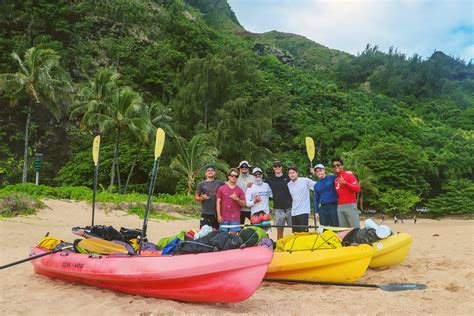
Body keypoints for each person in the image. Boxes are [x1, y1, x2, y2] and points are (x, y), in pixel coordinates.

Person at [332, 158, 361, 228]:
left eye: (338, 165)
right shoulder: (335, 179)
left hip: (350, 205)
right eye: (334, 166)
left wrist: (345, 183)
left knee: (355, 228)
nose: (336, 167)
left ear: (342, 166)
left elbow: (358, 189)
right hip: (339, 207)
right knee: (344, 230)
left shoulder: (349, 176)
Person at [267, 160, 292, 239]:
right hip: (278, 209)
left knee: (295, 229)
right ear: (273, 168)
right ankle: (280, 248)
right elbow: (261, 186)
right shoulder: (270, 180)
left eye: (279, 166)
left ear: (281, 167)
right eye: (275, 166)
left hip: (290, 207)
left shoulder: (288, 177)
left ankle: (295, 248)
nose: (277, 168)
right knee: (279, 231)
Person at [194, 164, 224, 229]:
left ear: (214, 172)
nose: (210, 171)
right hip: (205, 212)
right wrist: (202, 198)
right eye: (208, 170)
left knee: (216, 233)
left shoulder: (220, 183)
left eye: (212, 170)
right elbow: (196, 197)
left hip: (217, 213)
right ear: (205, 173)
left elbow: (229, 186)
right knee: (204, 232)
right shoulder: (201, 184)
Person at [216, 168, 246, 234]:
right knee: (223, 237)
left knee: (233, 239)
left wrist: (237, 199)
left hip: (235, 218)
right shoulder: (221, 188)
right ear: (229, 176)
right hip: (223, 218)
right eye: (232, 175)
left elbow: (243, 204)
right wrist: (218, 215)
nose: (234, 177)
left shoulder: (240, 190)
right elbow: (218, 202)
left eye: (236, 176)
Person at [287, 165, 316, 233]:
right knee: (295, 233)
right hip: (294, 212)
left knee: (304, 233)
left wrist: (314, 174)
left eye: (293, 172)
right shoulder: (289, 184)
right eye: (290, 173)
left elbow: (317, 186)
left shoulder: (305, 180)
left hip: (303, 211)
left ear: (297, 173)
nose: (292, 174)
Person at [236, 160, 255, 224]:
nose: (244, 168)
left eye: (246, 167)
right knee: (239, 228)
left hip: (251, 208)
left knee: (255, 227)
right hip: (239, 208)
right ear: (239, 168)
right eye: (242, 167)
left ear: (248, 168)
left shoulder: (253, 178)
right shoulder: (235, 178)